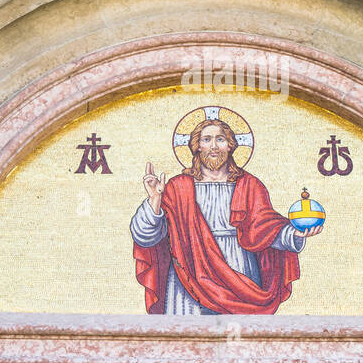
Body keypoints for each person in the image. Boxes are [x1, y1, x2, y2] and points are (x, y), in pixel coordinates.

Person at [130, 118, 322, 314]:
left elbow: (265, 227)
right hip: (189, 273)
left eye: (220, 139)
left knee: (240, 338)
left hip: (238, 272)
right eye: (206, 139)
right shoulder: (178, 187)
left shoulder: (249, 185)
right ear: (196, 146)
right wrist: (154, 201)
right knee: (191, 338)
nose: (213, 146)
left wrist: (294, 234)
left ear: (230, 145)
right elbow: (146, 237)